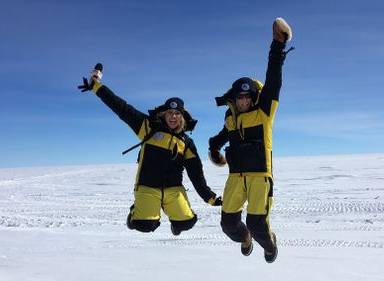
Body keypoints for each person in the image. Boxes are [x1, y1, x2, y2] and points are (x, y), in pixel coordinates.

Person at [78, 65, 222, 235]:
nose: (173, 116)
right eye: (170, 112)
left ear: (182, 117)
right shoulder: (147, 128)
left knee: (187, 222)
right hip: (148, 186)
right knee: (144, 225)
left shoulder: (187, 143)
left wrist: (210, 197)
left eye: (177, 113)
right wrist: (96, 86)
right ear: (164, 114)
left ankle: (177, 224)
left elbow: (196, 174)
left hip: (173, 189)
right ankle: (135, 212)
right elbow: (120, 107)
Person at [208, 18, 292, 263]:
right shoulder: (231, 118)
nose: (244, 101)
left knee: (256, 224)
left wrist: (277, 45)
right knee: (228, 223)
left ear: (254, 97)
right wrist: (213, 148)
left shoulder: (264, 111)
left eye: (248, 97)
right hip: (235, 178)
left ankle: (269, 245)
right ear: (234, 99)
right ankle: (245, 240)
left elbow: (273, 77)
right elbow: (221, 137)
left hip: (259, 178)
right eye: (239, 98)